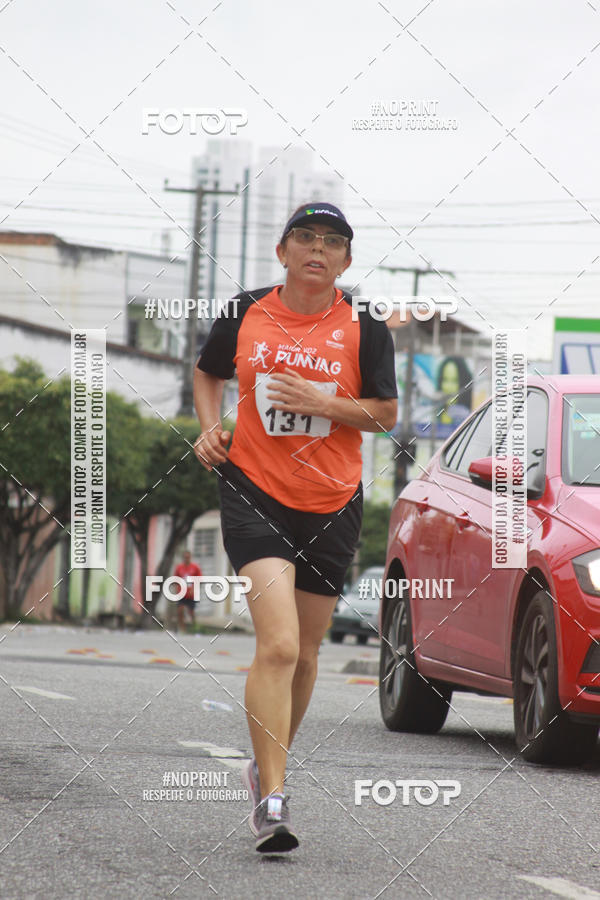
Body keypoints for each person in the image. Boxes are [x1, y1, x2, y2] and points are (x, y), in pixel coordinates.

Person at [193, 202, 397, 853]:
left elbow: (385, 414)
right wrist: (208, 426)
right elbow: (208, 372)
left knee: (307, 655)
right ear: (282, 251)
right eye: (305, 237)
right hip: (254, 490)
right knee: (278, 646)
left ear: (346, 260)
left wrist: (325, 403)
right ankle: (273, 799)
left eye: (332, 241)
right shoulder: (246, 310)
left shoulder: (365, 328)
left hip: (332, 500)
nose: (318, 248)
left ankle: (266, 765)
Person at [173, 550, 202, 631]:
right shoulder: (179, 568)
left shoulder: (195, 567)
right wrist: (176, 589)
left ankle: (194, 626)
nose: (186, 559)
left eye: (188, 557)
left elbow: (199, 579)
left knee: (191, 612)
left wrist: (194, 589)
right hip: (182, 593)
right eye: (185, 557)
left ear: (190, 558)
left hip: (191, 594)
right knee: (180, 610)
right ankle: (182, 628)